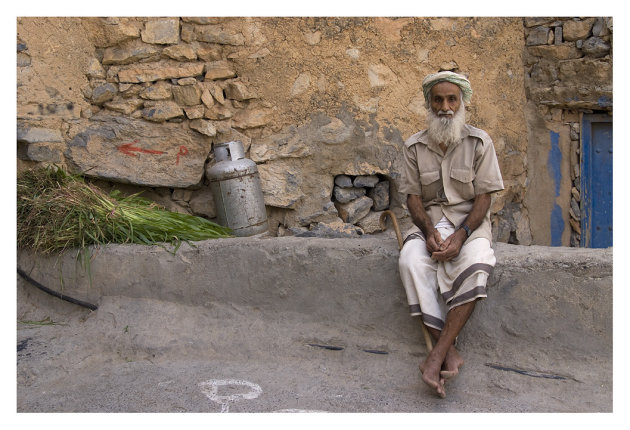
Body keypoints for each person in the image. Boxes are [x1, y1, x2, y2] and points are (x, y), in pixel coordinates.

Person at [398, 70, 504, 398]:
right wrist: (428, 232)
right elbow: (413, 198)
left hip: (469, 225)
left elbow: (484, 196)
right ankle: (450, 352)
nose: (445, 106)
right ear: (429, 104)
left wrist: (461, 236)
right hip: (429, 224)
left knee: (477, 263)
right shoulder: (414, 146)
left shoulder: (479, 142)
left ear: (462, 103)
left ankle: (436, 354)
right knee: (410, 261)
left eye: (451, 99)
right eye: (438, 100)